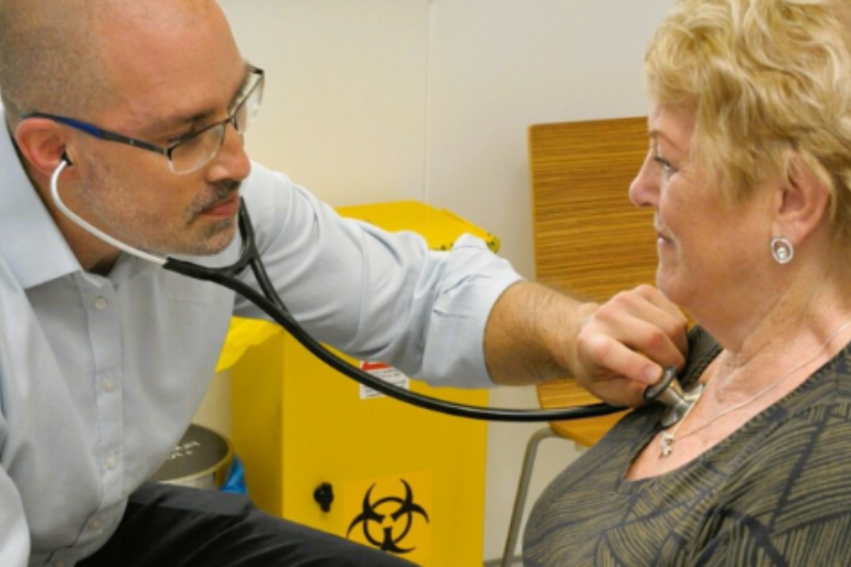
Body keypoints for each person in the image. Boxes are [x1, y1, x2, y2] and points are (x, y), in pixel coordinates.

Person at [0, 1, 687, 565]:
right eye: (186, 136)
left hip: (92, 531)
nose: (236, 161)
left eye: (236, 106)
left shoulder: (216, 205)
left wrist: (571, 334)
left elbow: (418, 296)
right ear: (55, 150)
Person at [524, 0, 851, 565]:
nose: (638, 189)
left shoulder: (820, 485)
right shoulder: (710, 347)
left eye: (667, 163)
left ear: (792, 200)